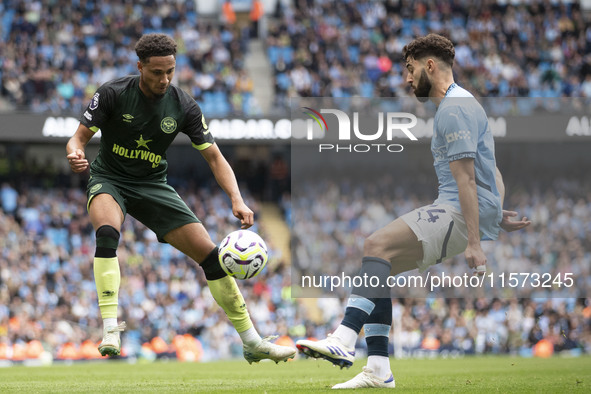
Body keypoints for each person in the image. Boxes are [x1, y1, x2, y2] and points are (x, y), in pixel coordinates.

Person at [296, 34, 531, 389]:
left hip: (455, 210)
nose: (407, 79)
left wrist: (476, 241)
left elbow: (467, 179)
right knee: (379, 266)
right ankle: (377, 369)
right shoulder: (462, 104)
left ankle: (343, 339)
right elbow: (490, 169)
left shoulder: (454, 109)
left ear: (430, 66)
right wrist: (494, 212)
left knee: (375, 245)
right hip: (463, 209)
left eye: (410, 69)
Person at [66, 33, 295, 364]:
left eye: (170, 71)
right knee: (106, 233)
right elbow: (77, 139)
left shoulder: (184, 105)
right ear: (140, 66)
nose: (164, 79)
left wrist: (237, 199)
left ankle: (252, 341)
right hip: (109, 179)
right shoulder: (113, 93)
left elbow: (215, 157)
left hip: (153, 185)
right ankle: (110, 327)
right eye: (157, 72)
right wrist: (75, 154)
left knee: (212, 257)